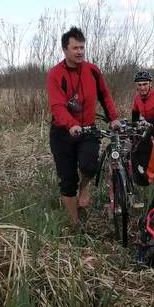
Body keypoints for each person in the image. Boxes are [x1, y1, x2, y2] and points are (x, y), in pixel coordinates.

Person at [46, 26, 121, 226]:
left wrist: (113, 118)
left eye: (82, 47)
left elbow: (105, 95)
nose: (79, 51)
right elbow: (57, 106)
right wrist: (70, 125)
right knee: (68, 180)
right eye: (75, 48)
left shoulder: (92, 71)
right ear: (65, 50)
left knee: (89, 166)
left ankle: (85, 187)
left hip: (88, 129)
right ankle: (75, 222)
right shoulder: (55, 75)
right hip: (63, 133)